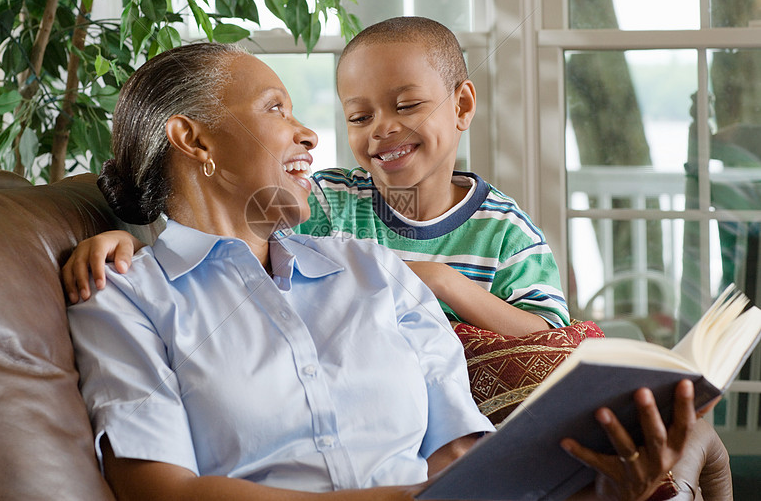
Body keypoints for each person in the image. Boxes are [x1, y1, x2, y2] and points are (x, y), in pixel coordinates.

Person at [66, 42, 695, 501]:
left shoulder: (370, 267)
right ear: (194, 141)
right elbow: (157, 488)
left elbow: (460, 454)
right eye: (276, 108)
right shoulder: (124, 297)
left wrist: (612, 492)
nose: (310, 133)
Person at [64, 17, 565, 337]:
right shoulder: (325, 200)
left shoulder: (507, 232)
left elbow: (553, 339)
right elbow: (219, 237)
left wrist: (441, 282)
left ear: (461, 105)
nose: (383, 129)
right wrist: (127, 236)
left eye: (407, 105)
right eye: (358, 117)